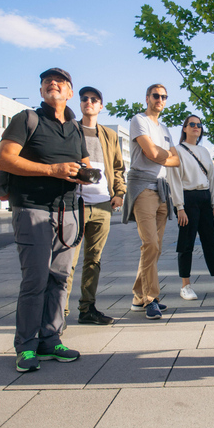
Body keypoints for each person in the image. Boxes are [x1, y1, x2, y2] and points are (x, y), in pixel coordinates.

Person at [0, 67, 89, 373]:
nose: (54, 84)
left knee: (59, 279)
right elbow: (6, 159)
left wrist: (87, 174)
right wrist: (53, 170)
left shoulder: (75, 128)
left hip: (68, 211)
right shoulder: (27, 119)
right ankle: (25, 346)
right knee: (35, 279)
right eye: (48, 82)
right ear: (41, 92)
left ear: (69, 92)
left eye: (61, 82)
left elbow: (84, 162)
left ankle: (50, 339)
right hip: (32, 208)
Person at [64, 86, 126, 326]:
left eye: (94, 99)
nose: (88, 102)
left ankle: (87, 309)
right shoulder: (70, 130)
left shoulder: (109, 135)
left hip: (102, 204)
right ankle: (61, 313)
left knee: (94, 260)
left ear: (101, 106)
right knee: (68, 261)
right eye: (84, 99)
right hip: (75, 202)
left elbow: (118, 167)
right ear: (80, 104)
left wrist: (119, 192)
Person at [122, 84, 180, 320]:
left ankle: (138, 296)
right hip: (143, 188)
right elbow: (151, 153)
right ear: (147, 98)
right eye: (156, 95)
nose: (160, 99)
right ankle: (151, 299)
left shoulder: (164, 128)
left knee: (154, 247)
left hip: (162, 190)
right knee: (151, 245)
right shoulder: (139, 120)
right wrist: (162, 154)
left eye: (164, 96)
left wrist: (160, 154)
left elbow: (176, 161)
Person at [169, 114, 214, 300]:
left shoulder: (204, 151)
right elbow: (174, 180)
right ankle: (185, 285)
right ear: (184, 128)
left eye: (199, 125)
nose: (196, 127)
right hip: (188, 198)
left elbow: (212, 180)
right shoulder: (176, 150)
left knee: (210, 242)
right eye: (192, 124)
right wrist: (180, 207)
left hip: (204, 198)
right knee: (186, 243)